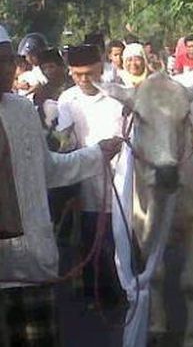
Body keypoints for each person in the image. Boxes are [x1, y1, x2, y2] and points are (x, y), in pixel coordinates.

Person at [0, 24, 122, 347]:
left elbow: (50, 170)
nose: (7, 68)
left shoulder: (22, 111)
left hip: (32, 267)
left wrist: (98, 154)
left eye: (8, 59)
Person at [56, 44, 125, 307]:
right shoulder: (67, 99)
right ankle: (94, 291)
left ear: (101, 68)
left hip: (117, 177)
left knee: (117, 236)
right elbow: (66, 140)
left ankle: (122, 288)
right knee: (88, 236)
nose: (84, 80)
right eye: (78, 74)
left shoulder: (116, 97)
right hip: (84, 177)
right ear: (70, 72)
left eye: (90, 73)